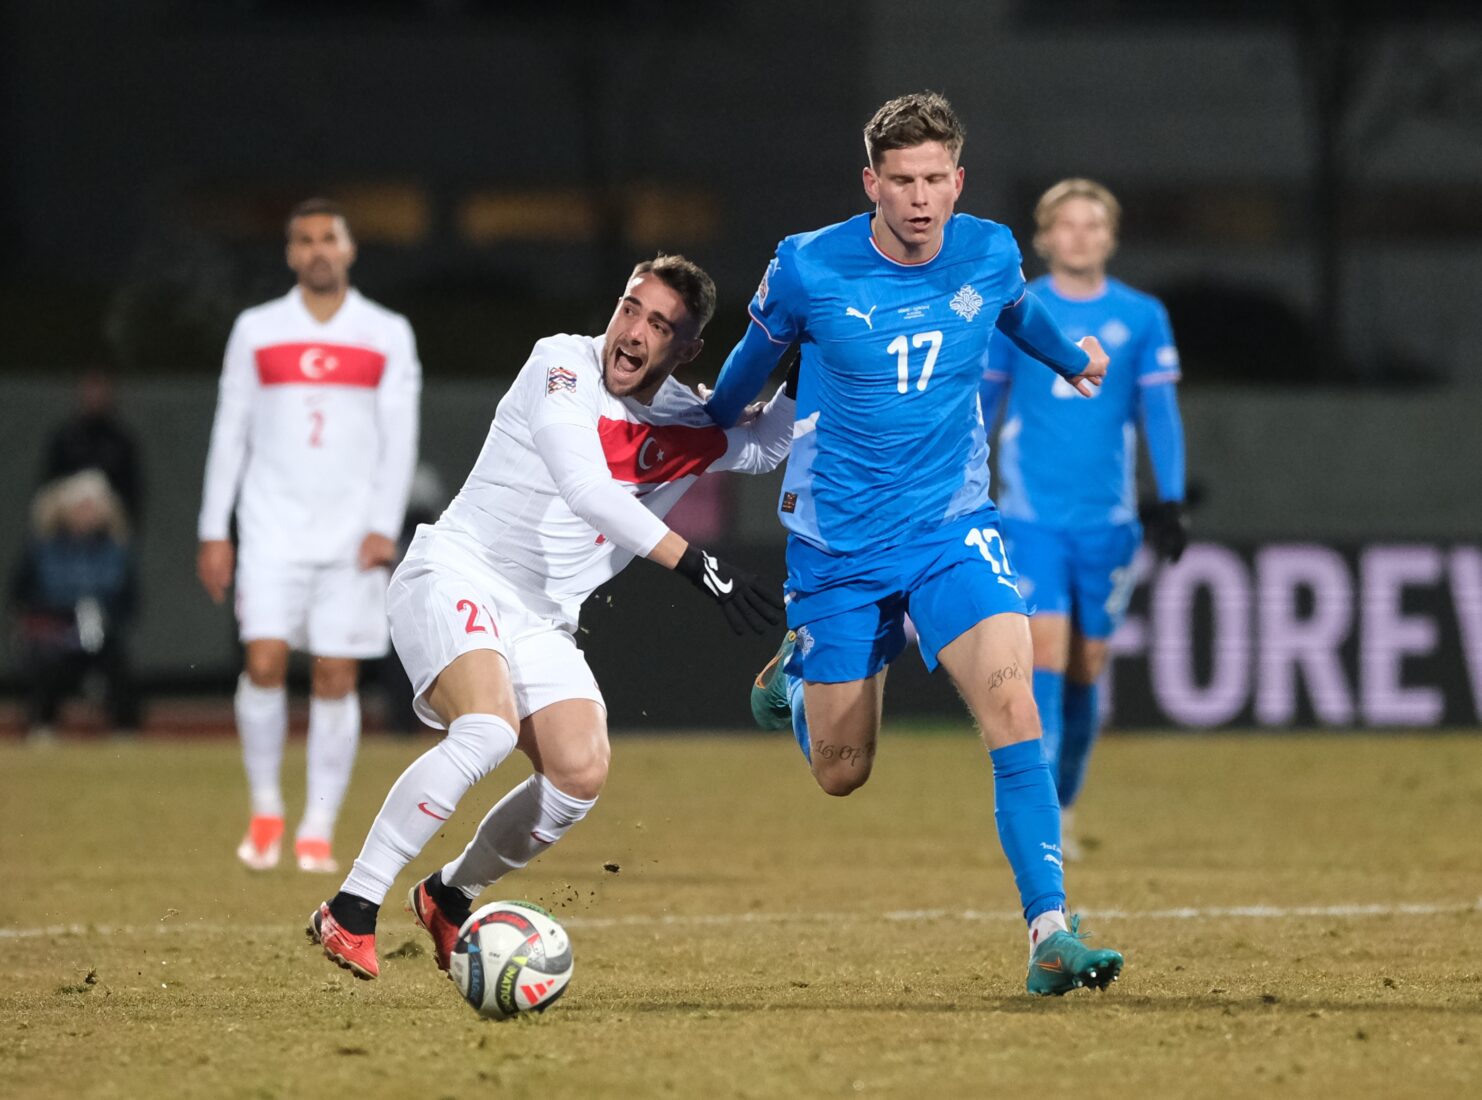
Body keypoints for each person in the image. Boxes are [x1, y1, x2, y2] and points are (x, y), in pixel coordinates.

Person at [717, 92, 1123, 996]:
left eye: (935, 178)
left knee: (1015, 709)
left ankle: (1049, 931)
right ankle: (795, 672)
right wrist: (710, 418)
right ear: (872, 183)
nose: (919, 197)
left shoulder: (989, 247)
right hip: (839, 550)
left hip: (952, 530)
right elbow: (741, 376)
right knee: (842, 774)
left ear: (958, 180)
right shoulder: (809, 266)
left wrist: (1073, 359)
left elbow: (1015, 313)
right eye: (901, 180)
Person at [307, 254, 791, 980]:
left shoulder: (683, 421)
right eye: (631, 306)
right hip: (454, 572)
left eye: (659, 325)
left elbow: (766, 445)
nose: (632, 332)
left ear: (686, 350)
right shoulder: (560, 364)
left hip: (540, 620)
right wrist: (700, 565)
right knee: (488, 728)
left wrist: (814, 348)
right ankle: (350, 907)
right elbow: (587, 487)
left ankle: (448, 895)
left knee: (579, 770)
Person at [197, 198, 422, 874]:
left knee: (335, 675)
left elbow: (399, 436)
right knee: (263, 663)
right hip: (269, 528)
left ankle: (317, 825)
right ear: (291, 253)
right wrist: (215, 529)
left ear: (349, 249)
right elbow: (229, 430)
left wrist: (385, 525)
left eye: (330, 238)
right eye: (305, 240)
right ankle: (267, 808)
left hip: (353, 536)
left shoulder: (386, 332)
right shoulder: (256, 330)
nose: (318, 249)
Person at [980, 179, 1187, 859]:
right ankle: (1043, 823)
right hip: (1032, 519)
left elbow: (1157, 412)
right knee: (1046, 656)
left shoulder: (1142, 315)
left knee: (1085, 671)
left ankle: (1063, 804)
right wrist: (965, 483)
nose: (1078, 235)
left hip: (1110, 524)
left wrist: (1173, 497)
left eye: (1091, 224)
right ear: (1044, 237)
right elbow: (984, 404)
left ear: (1109, 235)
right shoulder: (1020, 310)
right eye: (1064, 224)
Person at [11, 470, 139, 740]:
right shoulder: (42, 548)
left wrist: (103, 618)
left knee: (115, 659)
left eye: (92, 507)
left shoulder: (116, 550)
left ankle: (124, 730)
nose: (86, 514)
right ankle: (42, 726)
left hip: (99, 632)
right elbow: (22, 597)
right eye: (79, 507)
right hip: (54, 632)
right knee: (46, 660)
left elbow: (129, 602)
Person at [42, 369, 143, 526]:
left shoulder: (121, 442)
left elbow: (131, 495)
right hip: (66, 509)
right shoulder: (64, 438)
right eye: (90, 388)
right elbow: (49, 485)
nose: (94, 395)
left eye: (100, 389)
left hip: (107, 517)